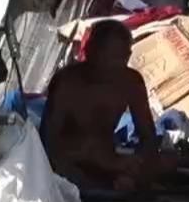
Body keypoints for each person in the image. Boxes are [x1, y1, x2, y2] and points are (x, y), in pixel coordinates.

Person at [41, 19, 166, 190]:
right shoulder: (67, 82)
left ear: (128, 56)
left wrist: (137, 163)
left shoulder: (131, 82)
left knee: (166, 162)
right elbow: (48, 143)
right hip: (69, 160)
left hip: (109, 159)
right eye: (106, 54)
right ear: (90, 51)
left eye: (118, 57)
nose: (111, 64)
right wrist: (85, 156)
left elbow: (148, 136)